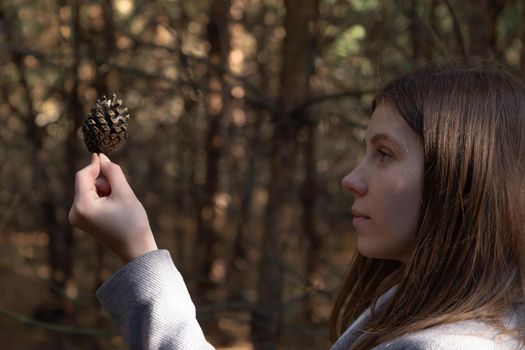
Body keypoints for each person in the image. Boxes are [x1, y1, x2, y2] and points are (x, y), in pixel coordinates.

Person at [69, 62, 525, 350]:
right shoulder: (435, 309)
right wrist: (140, 252)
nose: (351, 178)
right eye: (365, 151)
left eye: (384, 154)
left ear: (463, 179)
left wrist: (140, 257)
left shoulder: (447, 345)